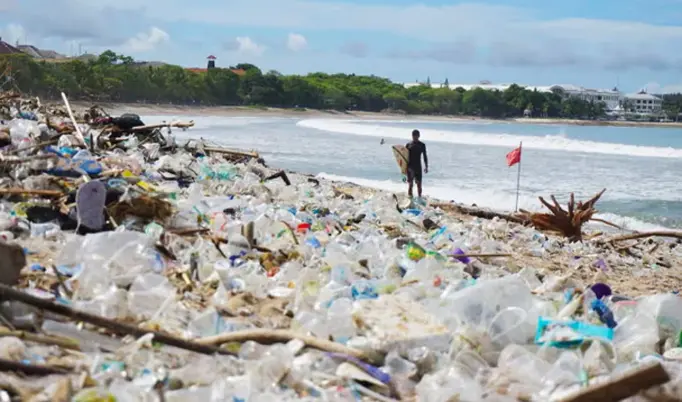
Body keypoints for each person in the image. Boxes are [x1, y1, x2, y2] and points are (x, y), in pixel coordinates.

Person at [406, 129, 428, 198]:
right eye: (413, 136)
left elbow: (425, 156)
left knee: (419, 184)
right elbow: (404, 157)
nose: (415, 137)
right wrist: (403, 168)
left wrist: (426, 166)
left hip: (418, 167)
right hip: (410, 167)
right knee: (410, 184)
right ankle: (410, 198)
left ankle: (419, 197)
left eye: (416, 136)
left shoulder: (422, 145)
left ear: (419, 136)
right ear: (412, 136)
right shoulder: (408, 145)